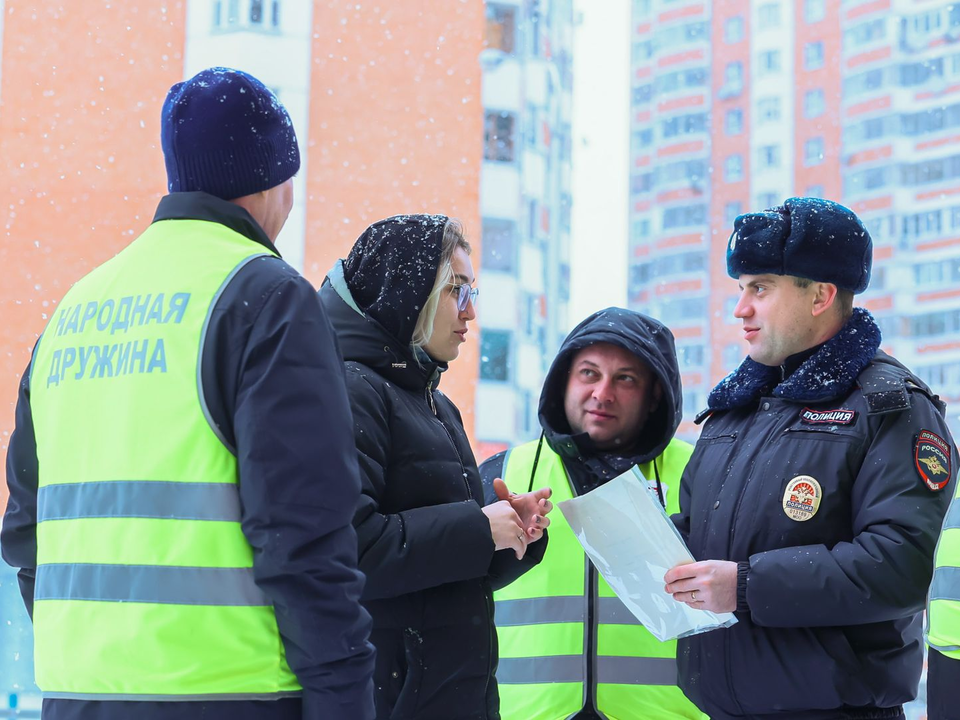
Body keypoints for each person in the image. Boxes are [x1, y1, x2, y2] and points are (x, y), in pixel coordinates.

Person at [1, 67, 375, 720]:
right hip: (231, 691)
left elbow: (26, 528)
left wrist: (101, 654)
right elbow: (302, 533)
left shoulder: (75, 309)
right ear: (277, 176)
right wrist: (344, 694)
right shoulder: (265, 296)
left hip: (80, 696)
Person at [665, 197, 955, 720]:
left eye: (761, 288)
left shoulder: (890, 407)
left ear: (821, 295)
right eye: (740, 289)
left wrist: (746, 585)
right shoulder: (734, 410)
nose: (741, 308)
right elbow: (704, 538)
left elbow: (897, 568)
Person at [318, 214, 553, 720]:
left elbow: (440, 578)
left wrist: (509, 534)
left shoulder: (435, 405)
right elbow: (346, 553)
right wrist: (476, 527)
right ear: (409, 294)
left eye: (473, 292)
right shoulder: (352, 390)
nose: (470, 313)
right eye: (456, 291)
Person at [480, 307, 705, 719]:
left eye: (625, 379)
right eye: (588, 373)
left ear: (655, 395)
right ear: (563, 380)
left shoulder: (699, 476)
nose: (603, 393)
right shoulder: (501, 476)